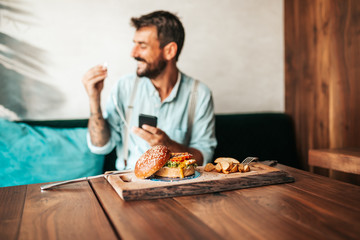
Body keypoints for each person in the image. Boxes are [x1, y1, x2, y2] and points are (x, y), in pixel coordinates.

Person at [82, 10, 217, 170]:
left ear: (169, 51)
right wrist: (94, 99)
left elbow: (204, 157)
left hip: (178, 183)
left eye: (142, 46)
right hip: (129, 183)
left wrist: (168, 146)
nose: (133, 53)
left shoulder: (200, 94)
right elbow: (100, 146)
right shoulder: (124, 87)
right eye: (134, 44)